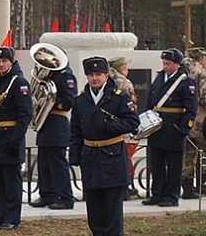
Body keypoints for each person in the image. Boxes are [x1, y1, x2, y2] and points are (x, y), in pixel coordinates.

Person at [70, 56, 139, 236]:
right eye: (91, 74)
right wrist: (75, 156)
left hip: (112, 155)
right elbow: (75, 130)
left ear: (106, 76)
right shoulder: (80, 100)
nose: (95, 78)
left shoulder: (119, 97)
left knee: (112, 211)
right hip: (90, 157)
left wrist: (110, 127)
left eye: (99, 74)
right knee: (95, 211)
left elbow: (133, 122)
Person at [0, 47, 32, 231]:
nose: (1, 64)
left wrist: (16, 139)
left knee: (11, 181)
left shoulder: (19, 82)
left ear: (11, 61)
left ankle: (12, 217)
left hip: (11, 136)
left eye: (4, 61)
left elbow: (25, 114)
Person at [141, 48, 197, 207]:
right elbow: (150, 100)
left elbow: (191, 108)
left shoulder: (186, 82)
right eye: (164, 63)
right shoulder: (159, 78)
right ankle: (157, 194)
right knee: (156, 163)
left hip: (173, 127)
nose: (165, 66)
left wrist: (184, 128)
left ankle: (171, 196)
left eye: (168, 64)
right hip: (157, 127)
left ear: (177, 64)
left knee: (173, 165)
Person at [30, 59, 76, 210]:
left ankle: (65, 197)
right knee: (44, 163)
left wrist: (47, 101)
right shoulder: (48, 76)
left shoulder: (65, 75)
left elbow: (69, 101)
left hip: (57, 122)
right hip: (45, 123)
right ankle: (46, 194)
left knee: (57, 164)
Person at [109, 56, 140, 200]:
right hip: (123, 126)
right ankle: (126, 188)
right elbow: (131, 106)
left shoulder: (106, 80)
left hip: (109, 127)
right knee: (125, 157)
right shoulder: (125, 83)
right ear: (122, 68)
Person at [181, 50, 206, 199]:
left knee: (189, 155)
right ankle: (203, 184)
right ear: (201, 58)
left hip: (184, 120)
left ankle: (188, 188)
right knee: (203, 154)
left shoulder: (181, 72)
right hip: (201, 121)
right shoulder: (201, 73)